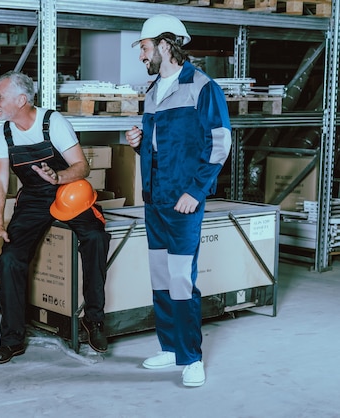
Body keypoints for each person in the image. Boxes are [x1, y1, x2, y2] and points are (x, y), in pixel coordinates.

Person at [125, 15, 232, 387]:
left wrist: (196, 191)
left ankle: (191, 357)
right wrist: (140, 143)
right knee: (160, 276)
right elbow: (161, 145)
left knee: (181, 279)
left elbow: (220, 143)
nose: (142, 55)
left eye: (144, 47)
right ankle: (170, 347)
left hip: (183, 201)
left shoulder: (202, 87)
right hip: (155, 199)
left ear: (165, 45)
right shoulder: (154, 91)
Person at [0, 71, 111, 364]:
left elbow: (82, 166)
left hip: (68, 191)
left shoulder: (53, 122)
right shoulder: (4, 131)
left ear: (21, 99)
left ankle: (95, 320)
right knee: (9, 259)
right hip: (34, 198)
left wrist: (59, 176)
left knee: (95, 237)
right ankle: (12, 340)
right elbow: (0, 181)